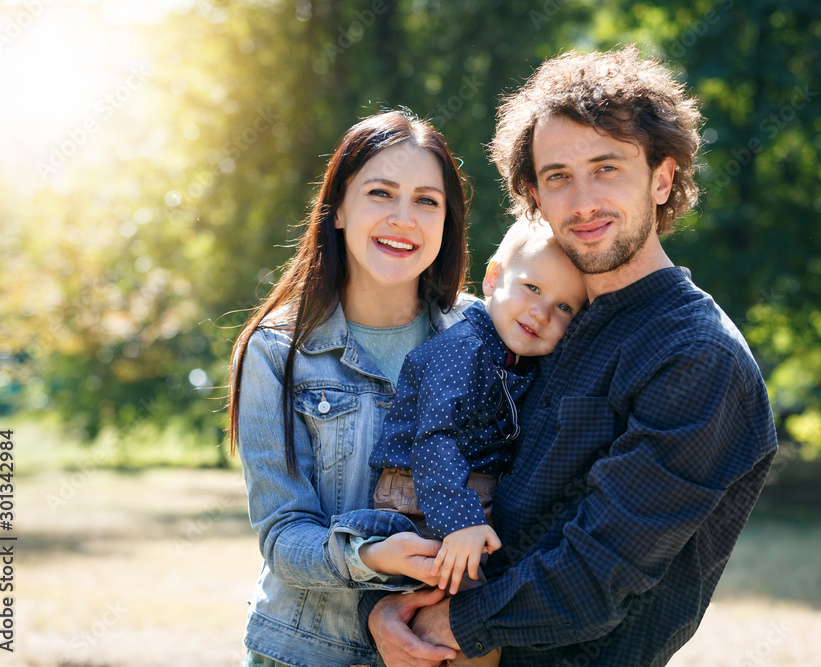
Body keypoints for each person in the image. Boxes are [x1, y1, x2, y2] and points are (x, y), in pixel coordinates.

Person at [366, 46, 780, 667]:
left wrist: (437, 622)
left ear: (662, 178)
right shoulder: (548, 329)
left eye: (607, 167)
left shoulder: (696, 356)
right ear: (535, 193)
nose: (582, 201)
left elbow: (600, 575)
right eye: (558, 175)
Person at [227, 109, 474, 667]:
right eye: (381, 193)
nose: (403, 219)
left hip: (437, 649)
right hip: (304, 653)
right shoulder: (274, 351)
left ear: (448, 220)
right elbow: (283, 535)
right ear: (338, 208)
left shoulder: (479, 336)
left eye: (427, 201)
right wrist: (374, 557)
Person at [367, 216, 587, 602]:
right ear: (493, 279)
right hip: (426, 499)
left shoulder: (519, 361)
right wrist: (460, 521)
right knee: (469, 624)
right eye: (532, 287)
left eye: (565, 307)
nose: (541, 312)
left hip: (464, 498)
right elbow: (435, 437)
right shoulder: (464, 350)